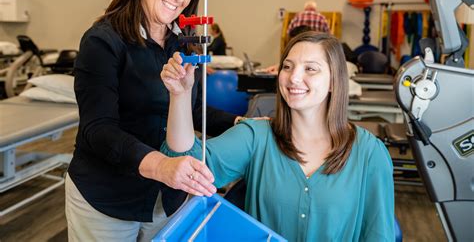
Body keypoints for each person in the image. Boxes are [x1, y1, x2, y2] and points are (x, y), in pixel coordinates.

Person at [65, 0, 241, 242]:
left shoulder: (181, 42)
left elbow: (193, 108)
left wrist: (240, 123)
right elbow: (98, 129)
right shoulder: (103, 41)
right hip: (107, 197)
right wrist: (162, 166)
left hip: (165, 199)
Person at [160, 31, 395, 241]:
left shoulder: (369, 153)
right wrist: (180, 95)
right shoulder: (257, 137)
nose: (293, 78)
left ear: (334, 81)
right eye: (288, 66)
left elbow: (378, 234)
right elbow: (187, 167)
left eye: (310, 69)